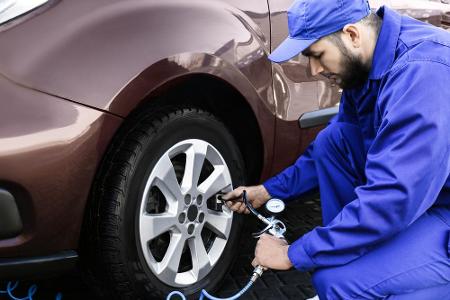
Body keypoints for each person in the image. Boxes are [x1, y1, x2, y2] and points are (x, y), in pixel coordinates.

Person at [223, 0, 450, 299]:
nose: (314, 69)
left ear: (352, 35)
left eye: (317, 55)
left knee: (336, 281)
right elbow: (331, 151)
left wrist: (293, 253)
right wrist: (267, 191)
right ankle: (359, 254)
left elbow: (392, 197)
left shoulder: (422, 74)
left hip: (437, 208)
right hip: (426, 193)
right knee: (335, 140)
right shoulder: (367, 64)